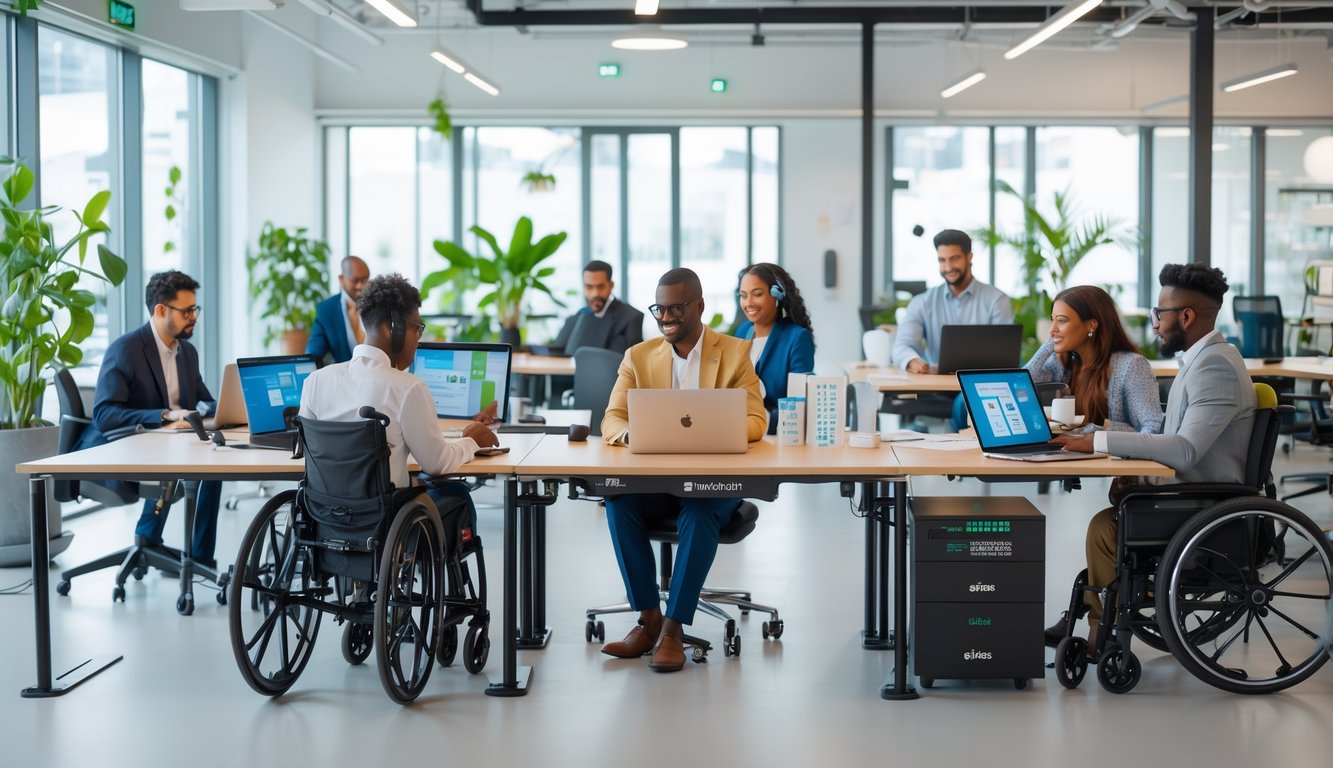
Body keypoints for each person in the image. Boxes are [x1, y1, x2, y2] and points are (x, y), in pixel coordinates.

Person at [1049, 263, 1256, 652]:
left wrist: (1097, 441)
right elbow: (1170, 437)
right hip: (1190, 497)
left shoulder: (1214, 366)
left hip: (1205, 506)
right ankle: (1099, 624)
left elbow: (1185, 450)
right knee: (1109, 520)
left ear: (1185, 317)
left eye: (1159, 314)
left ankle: (1099, 637)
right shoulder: (1201, 361)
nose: (1155, 324)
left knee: (1104, 528)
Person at [598, 267, 766, 672]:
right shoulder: (638, 357)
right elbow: (612, 419)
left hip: (713, 485)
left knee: (700, 508)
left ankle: (673, 628)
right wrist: (638, 434)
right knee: (618, 500)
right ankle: (649, 617)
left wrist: (712, 433)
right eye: (659, 309)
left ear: (699, 306)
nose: (666, 317)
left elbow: (757, 421)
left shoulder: (734, 353)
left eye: (675, 308)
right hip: (657, 484)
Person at [298, 274, 499, 522]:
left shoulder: (315, 381)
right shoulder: (408, 388)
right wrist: (471, 441)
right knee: (457, 494)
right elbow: (437, 464)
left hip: (324, 518)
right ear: (392, 328)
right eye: (417, 329)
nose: (418, 340)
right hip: (383, 521)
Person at [77, 270, 223, 566]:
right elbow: (104, 414)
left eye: (195, 308)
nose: (194, 316)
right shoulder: (126, 349)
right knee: (185, 461)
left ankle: (199, 560)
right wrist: (165, 415)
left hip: (167, 446)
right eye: (186, 311)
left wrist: (217, 410)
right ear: (161, 310)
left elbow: (204, 400)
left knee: (215, 465)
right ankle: (152, 539)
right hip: (123, 450)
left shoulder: (187, 353)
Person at [891, 229, 1014, 428]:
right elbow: (902, 345)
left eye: (954, 259)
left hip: (980, 388)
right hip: (937, 388)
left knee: (965, 403)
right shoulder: (923, 302)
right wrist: (911, 359)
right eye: (942, 260)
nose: (948, 267)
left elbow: (1004, 355)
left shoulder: (996, 300)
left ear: (969, 257)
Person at [1025, 285, 1163, 435]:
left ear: (1091, 325)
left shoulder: (1131, 366)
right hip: (1064, 448)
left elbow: (1153, 427)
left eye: (1062, 321)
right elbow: (1022, 385)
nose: (1052, 329)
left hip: (1108, 451)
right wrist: (1050, 344)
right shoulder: (1062, 363)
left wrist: (1098, 434)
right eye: (1053, 320)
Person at [732, 262, 816, 434]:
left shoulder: (797, 338)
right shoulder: (742, 332)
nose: (748, 303)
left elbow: (801, 406)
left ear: (777, 294)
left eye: (757, 294)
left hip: (777, 437)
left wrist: (765, 419)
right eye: (743, 295)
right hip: (739, 432)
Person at [552, 260, 645, 356]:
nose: (595, 294)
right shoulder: (578, 315)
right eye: (589, 287)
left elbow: (634, 361)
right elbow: (556, 353)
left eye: (600, 287)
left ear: (611, 285)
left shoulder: (631, 317)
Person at [307, 255, 372, 366]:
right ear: (341, 278)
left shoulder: (379, 304)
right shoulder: (326, 309)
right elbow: (313, 354)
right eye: (355, 280)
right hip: (344, 374)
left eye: (365, 280)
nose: (360, 286)